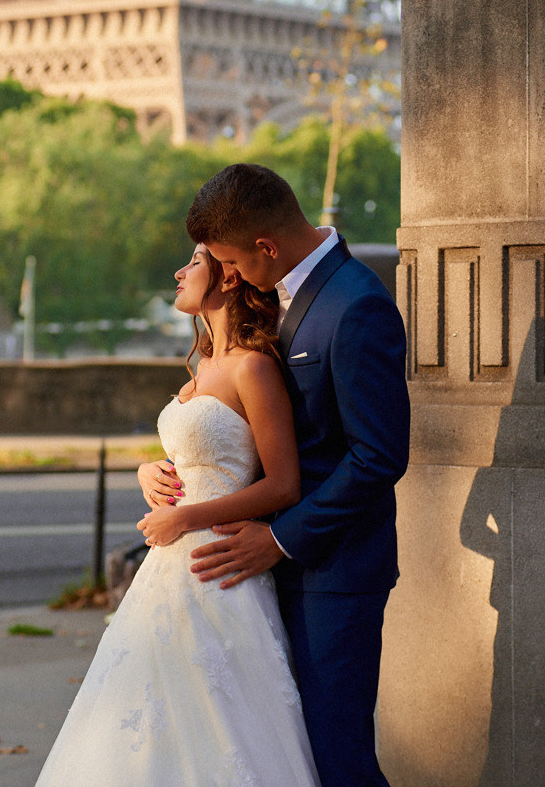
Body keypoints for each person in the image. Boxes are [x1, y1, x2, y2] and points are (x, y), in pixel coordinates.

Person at [140, 163, 410, 787]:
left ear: (266, 246)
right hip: (251, 573)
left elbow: (378, 456)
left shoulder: (357, 304)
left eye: (232, 262)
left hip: (330, 571)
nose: (228, 275)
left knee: (334, 758)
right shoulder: (270, 298)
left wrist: (281, 537)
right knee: (277, 756)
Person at [33, 243, 322, 787]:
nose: (179, 271)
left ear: (229, 277)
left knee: (220, 729)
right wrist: (151, 470)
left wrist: (186, 519)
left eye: (194, 260)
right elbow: (201, 456)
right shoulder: (202, 365)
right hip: (165, 579)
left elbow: (283, 484)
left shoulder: (254, 368)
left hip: (219, 570)